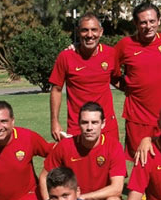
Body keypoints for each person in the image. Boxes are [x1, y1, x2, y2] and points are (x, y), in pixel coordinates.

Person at [40, 102, 125, 200]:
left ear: (103, 124)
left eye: (94, 122)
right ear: (79, 124)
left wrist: (83, 198)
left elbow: (117, 189)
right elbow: (44, 177)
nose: (90, 127)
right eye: (85, 122)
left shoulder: (113, 146)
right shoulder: (65, 146)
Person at [113, 2, 161, 159]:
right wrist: (128, 87)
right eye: (143, 22)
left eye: (152, 21)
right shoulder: (125, 45)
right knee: (140, 161)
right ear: (136, 23)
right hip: (137, 117)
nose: (148, 26)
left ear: (159, 21)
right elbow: (110, 72)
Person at [49, 13, 119, 141]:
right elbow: (56, 90)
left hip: (107, 126)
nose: (90, 35)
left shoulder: (111, 53)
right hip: (78, 126)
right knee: (78, 161)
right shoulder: (66, 57)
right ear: (78, 32)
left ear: (101, 32)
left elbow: (117, 80)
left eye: (94, 30)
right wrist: (54, 122)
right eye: (85, 30)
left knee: (110, 160)